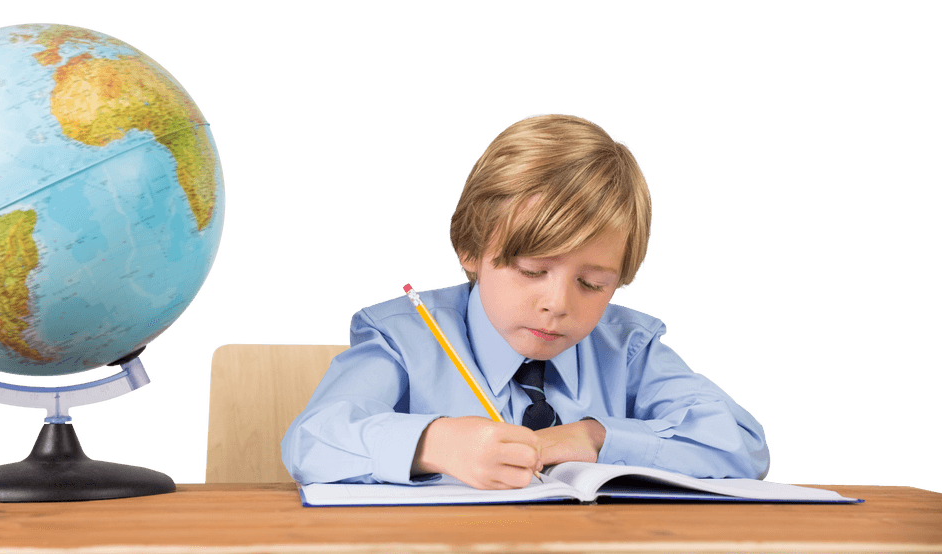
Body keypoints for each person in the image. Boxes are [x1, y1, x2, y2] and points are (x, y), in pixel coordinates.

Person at [281, 113, 770, 489]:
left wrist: (596, 439)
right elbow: (312, 439)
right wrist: (431, 444)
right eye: (533, 271)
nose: (557, 304)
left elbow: (741, 445)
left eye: (593, 284)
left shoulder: (627, 349)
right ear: (470, 247)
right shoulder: (404, 337)